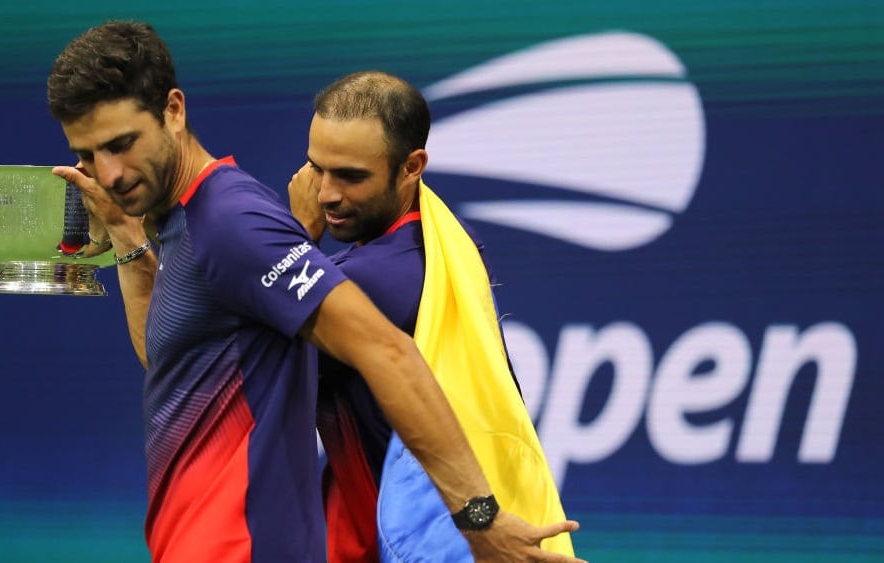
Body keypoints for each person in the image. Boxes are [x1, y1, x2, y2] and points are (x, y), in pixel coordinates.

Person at [45, 20, 584, 563]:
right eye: (88, 155)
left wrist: (480, 521)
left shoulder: (245, 230)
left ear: (175, 111)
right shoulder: (204, 229)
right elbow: (177, 362)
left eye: (122, 145)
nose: (108, 173)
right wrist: (128, 240)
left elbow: (377, 353)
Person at [288, 72, 577, 562]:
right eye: (318, 169)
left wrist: (295, 238)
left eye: (352, 176)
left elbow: (240, 371)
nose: (326, 195)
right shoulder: (444, 243)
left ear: (411, 166)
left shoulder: (373, 280)